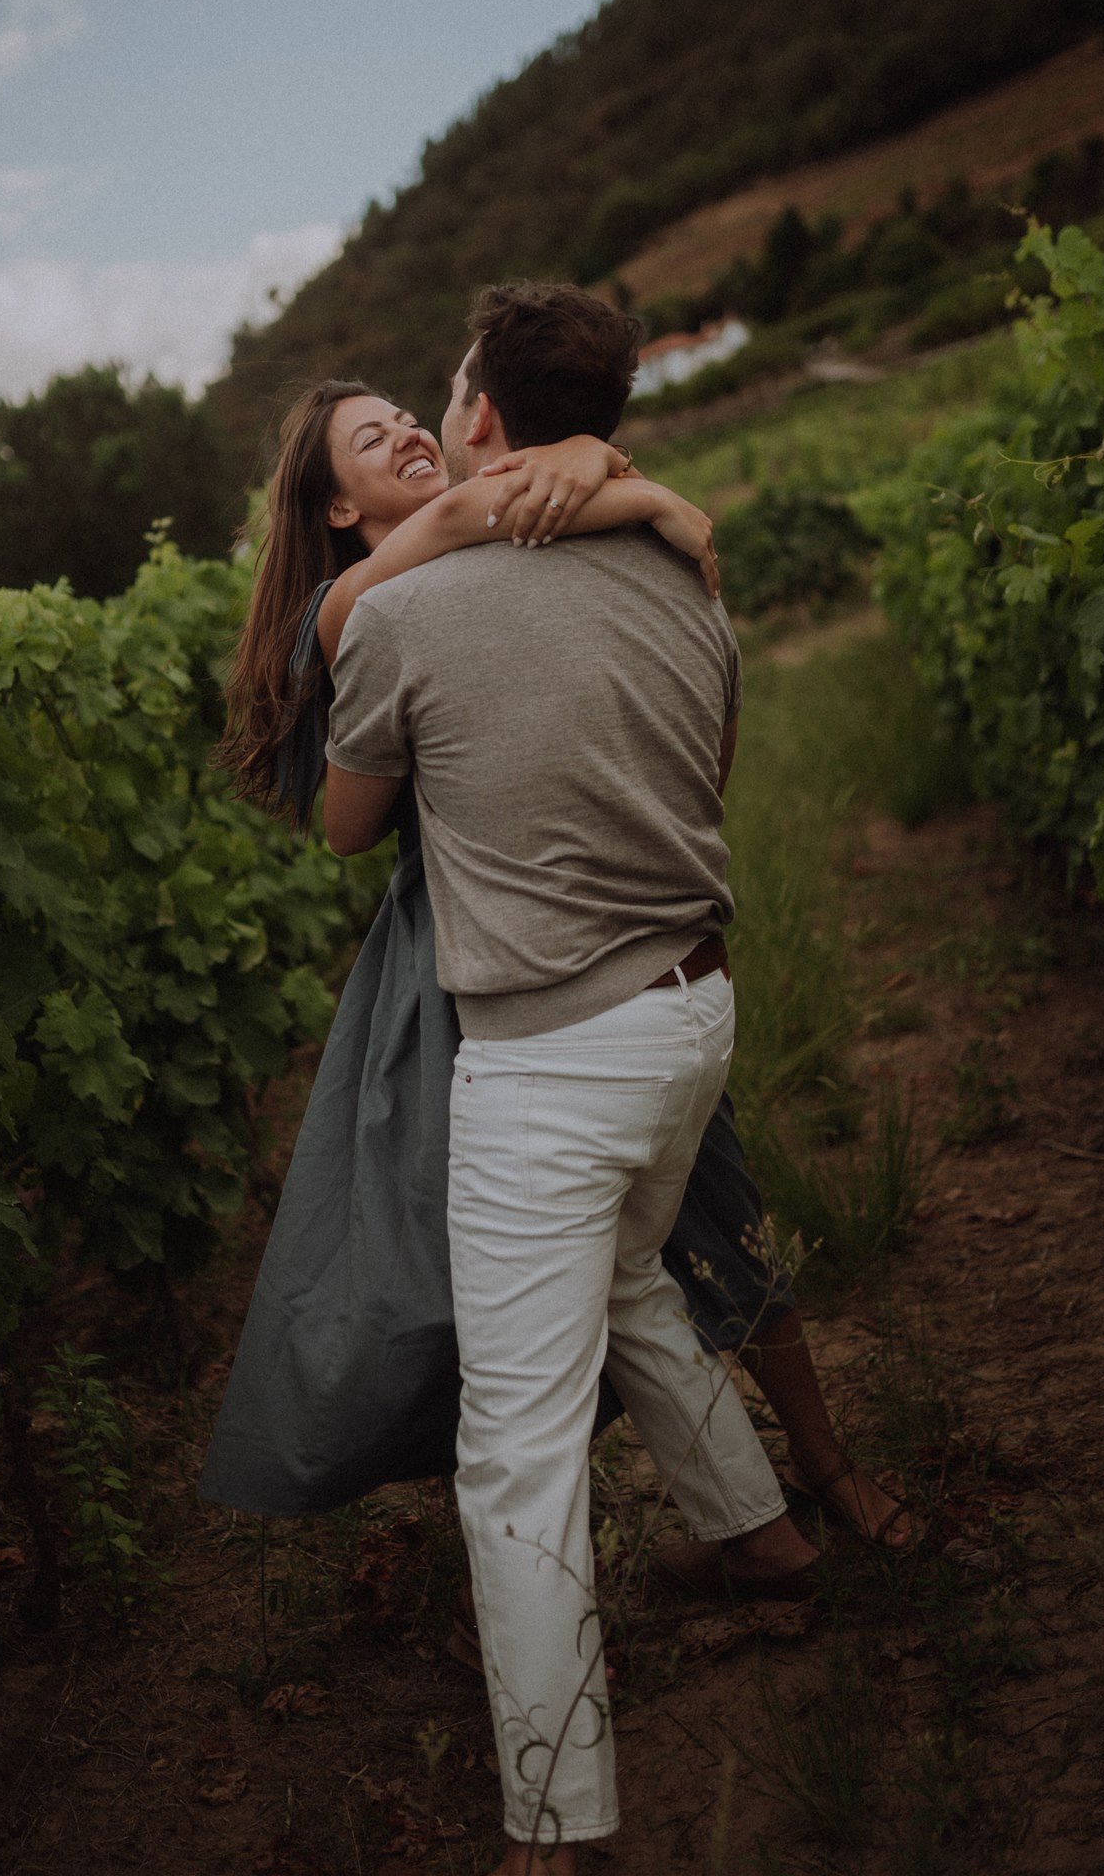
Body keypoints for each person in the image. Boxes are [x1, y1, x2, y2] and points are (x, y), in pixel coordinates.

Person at [200, 381, 907, 1565]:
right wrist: (651, 497)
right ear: (332, 505)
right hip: (467, 964)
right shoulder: (344, 604)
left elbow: (499, 513)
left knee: (715, 1206)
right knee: (479, 1270)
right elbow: (461, 527)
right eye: (371, 442)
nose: (410, 436)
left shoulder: (495, 533)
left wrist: (589, 465)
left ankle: (808, 1480)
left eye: (408, 418)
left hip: (591, 934)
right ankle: (546, 1545)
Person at [318, 281, 824, 1872]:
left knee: (515, 1451)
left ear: (478, 418)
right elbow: (708, 777)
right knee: (629, 1276)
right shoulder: (687, 571)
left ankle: (557, 1820)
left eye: (445, 392)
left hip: (546, 1063)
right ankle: (761, 1533)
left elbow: (343, 826)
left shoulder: (400, 616)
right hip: (694, 1019)